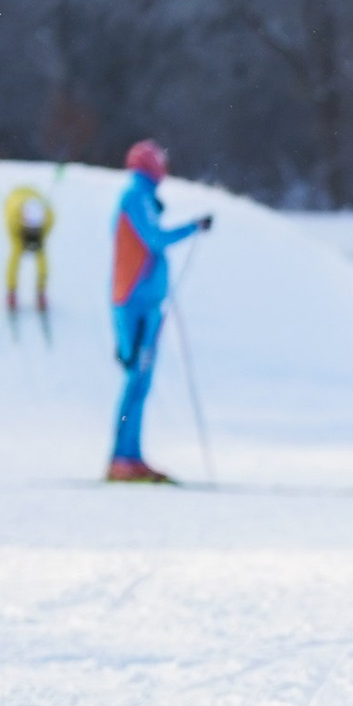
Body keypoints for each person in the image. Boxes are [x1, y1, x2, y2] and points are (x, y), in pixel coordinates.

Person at [107, 141, 213, 482]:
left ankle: (132, 454)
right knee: (135, 380)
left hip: (147, 302)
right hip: (135, 301)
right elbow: (154, 239)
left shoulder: (142, 197)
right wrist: (192, 228)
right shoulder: (135, 197)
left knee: (141, 381)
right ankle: (121, 457)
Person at [4, 183, 54, 321]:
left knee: (41, 253)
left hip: (34, 195)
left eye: (35, 230)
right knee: (16, 252)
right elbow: (15, 250)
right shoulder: (12, 219)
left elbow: (44, 236)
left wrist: (38, 238)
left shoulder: (49, 217)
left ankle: (41, 291)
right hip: (15, 200)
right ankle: (11, 291)